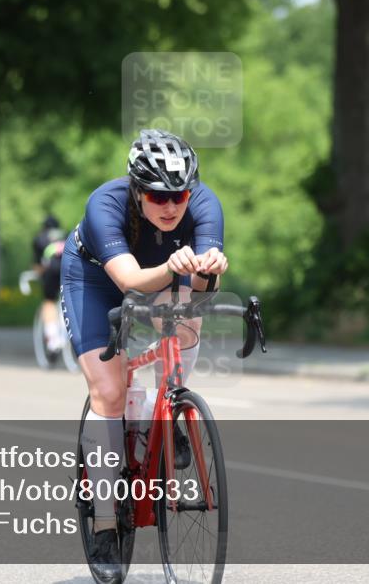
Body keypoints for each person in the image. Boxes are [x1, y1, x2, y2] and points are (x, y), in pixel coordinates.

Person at [60, 129, 226, 582]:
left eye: (179, 195)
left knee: (186, 322)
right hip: (94, 281)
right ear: (137, 189)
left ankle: (171, 409)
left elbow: (202, 293)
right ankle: (105, 519)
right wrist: (174, 268)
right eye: (157, 196)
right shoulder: (105, 205)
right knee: (110, 391)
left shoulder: (205, 205)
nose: (171, 206)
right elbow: (131, 281)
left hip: (163, 273)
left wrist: (209, 273)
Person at [32, 215, 66, 354]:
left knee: (49, 301)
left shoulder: (40, 238)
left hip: (51, 270)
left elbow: (38, 266)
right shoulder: (67, 234)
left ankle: (53, 339)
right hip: (70, 268)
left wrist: (37, 275)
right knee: (67, 301)